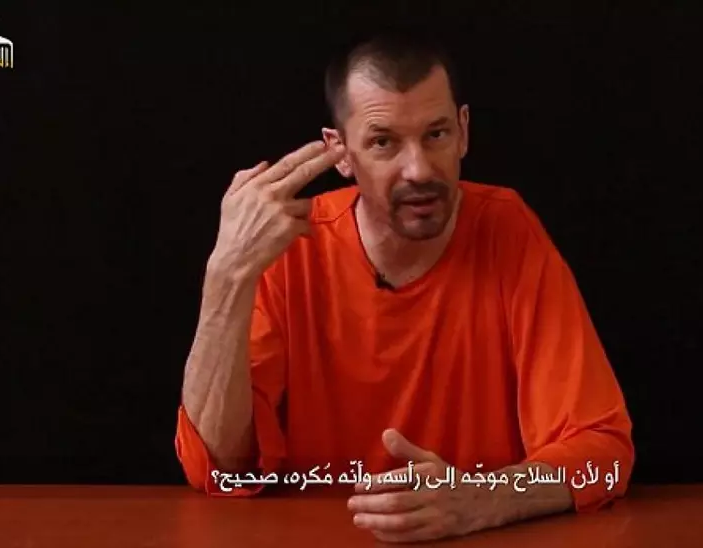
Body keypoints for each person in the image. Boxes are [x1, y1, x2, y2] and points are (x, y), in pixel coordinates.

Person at [176, 30, 635, 543]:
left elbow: (605, 459)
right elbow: (217, 468)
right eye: (383, 142)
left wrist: (484, 497)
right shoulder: (291, 249)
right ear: (340, 152)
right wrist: (226, 276)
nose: (418, 170)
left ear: (463, 131)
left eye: (436, 134)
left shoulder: (508, 231)